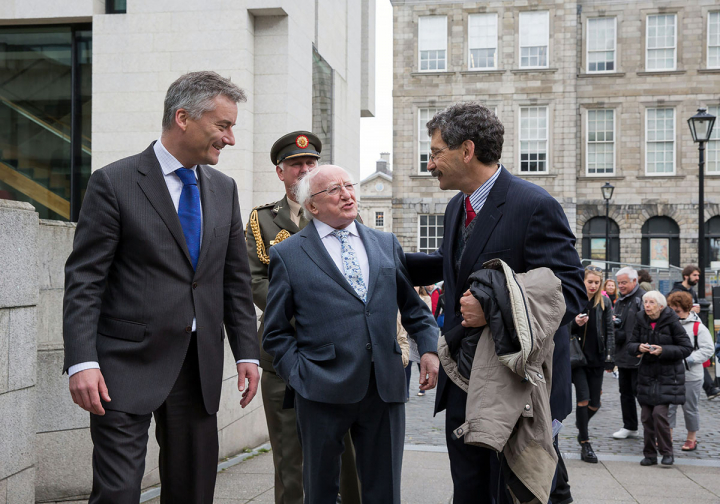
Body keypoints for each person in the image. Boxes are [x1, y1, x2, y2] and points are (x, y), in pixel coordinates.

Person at [62, 71, 260, 503]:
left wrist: (247, 352)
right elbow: (85, 280)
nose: (229, 139)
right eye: (223, 126)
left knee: (192, 491)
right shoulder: (113, 182)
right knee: (117, 493)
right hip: (122, 367)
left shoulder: (224, 189)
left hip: (198, 367)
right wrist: (82, 361)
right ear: (183, 117)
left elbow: (234, 280)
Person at [403, 102, 585, 504]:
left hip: (515, 390)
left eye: (435, 153)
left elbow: (569, 292)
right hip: (463, 385)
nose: (430, 164)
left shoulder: (534, 204)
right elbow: (449, 266)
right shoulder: (457, 206)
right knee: (469, 492)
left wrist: (494, 308)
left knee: (523, 491)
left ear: (466, 151)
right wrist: (373, 252)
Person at [262, 165, 440, 504]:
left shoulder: (385, 243)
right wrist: (301, 376)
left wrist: (429, 349)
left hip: (384, 386)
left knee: (384, 490)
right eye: (333, 190)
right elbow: (275, 332)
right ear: (312, 206)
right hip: (320, 390)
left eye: (349, 186)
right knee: (320, 490)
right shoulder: (288, 254)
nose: (347, 194)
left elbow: (414, 308)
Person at [244, 132, 361, 504]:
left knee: (348, 457)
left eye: (311, 164)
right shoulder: (263, 220)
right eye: (297, 165)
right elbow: (253, 279)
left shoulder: (339, 217)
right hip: (284, 356)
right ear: (281, 172)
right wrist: (302, 309)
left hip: (337, 356)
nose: (305, 169)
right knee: (290, 460)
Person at [627, 291, 692, 466]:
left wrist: (663, 350)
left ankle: (667, 452)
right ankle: (649, 454)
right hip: (647, 375)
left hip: (668, 376)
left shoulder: (672, 321)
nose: (647, 305)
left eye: (651, 302)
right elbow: (630, 344)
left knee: (659, 414)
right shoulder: (641, 319)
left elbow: (686, 347)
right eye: (645, 302)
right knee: (647, 416)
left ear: (661, 306)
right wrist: (638, 347)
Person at [569, 266, 615, 463]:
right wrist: (574, 323)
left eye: (597, 283)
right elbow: (562, 327)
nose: (594, 286)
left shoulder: (604, 302)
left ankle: (581, 426)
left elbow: (610, 330)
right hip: (578, 359)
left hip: (597, 358)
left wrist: (610, 357)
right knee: (583, 399)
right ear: (583, 281)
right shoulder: (575, 300)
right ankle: (585, 443)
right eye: (590, 282)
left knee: (595, 403)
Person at [666, 291, 715, 451]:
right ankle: (668, 436)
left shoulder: (697, 327)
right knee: (669, 407)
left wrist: (688, 359)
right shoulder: (669, 324)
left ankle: (691, 438)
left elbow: (708, 349)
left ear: (686, 309)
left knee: (690, 408)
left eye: (678, 310)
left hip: (691, 375)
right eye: (672, 310)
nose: (675, 314)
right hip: (670, 373)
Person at [669, 265, 720, 399]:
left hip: (694, 329)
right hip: (683, 330)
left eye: (698, 275)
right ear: (686, 276)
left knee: (697, 358)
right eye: (695, 275)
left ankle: (710, 389)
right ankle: (710, 389)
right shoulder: (676, 292)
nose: (697, 278)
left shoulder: (691, 291)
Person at [612, 267, 647, 440]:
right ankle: (630, 426)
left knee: (640, 394)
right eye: (619, 283)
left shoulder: (642, 299)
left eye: (624, 282)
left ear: (635, 281)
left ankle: (650, 427)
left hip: (638, 354)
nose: (621, 286)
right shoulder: (621, 300)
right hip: (623, 354)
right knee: (625, 393)